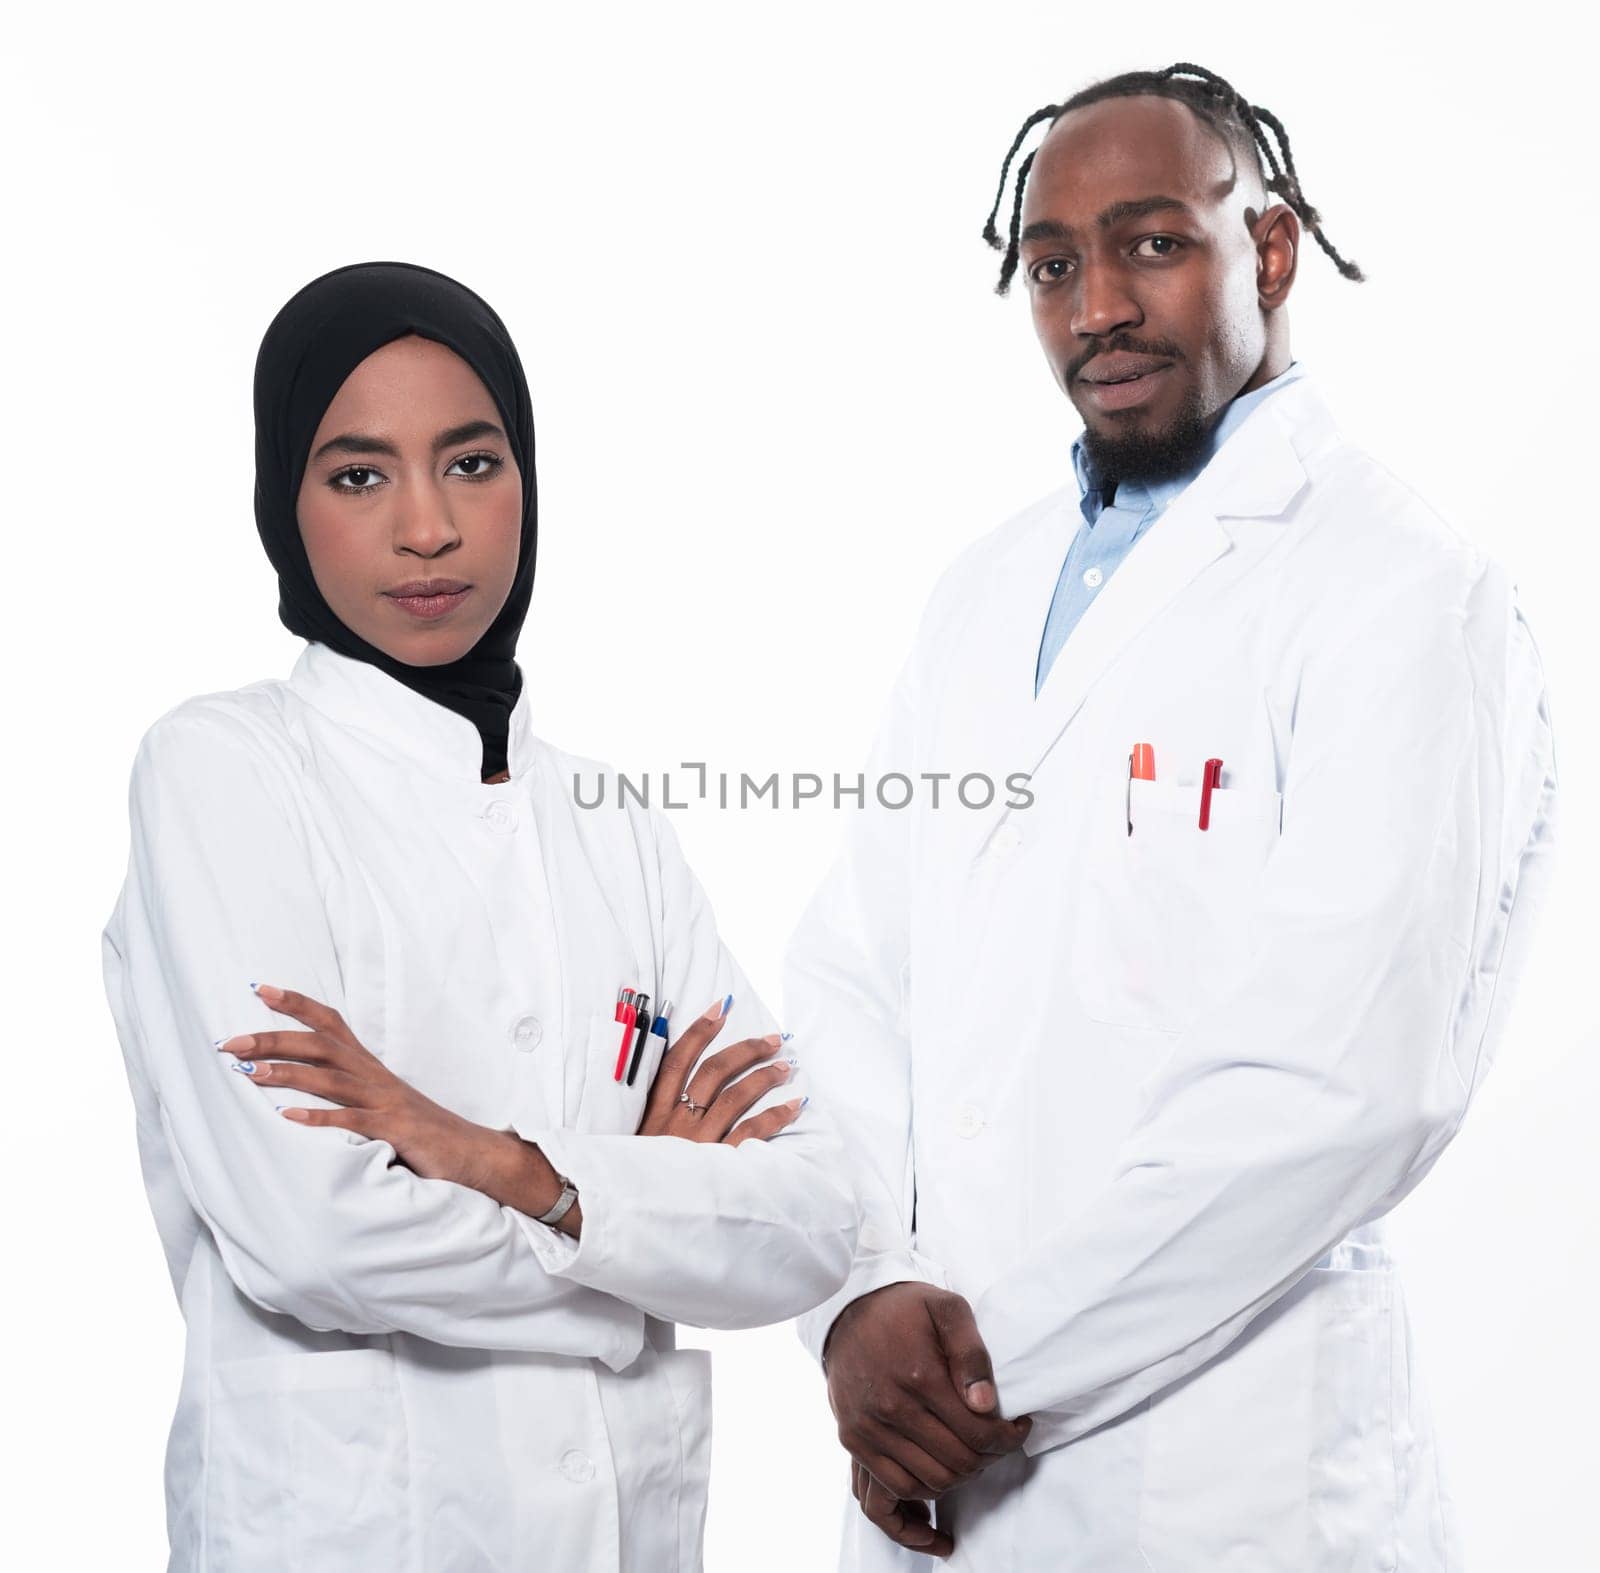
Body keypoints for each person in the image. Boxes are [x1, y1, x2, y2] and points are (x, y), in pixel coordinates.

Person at [787, 62, 1559, 1571]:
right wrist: (861, 1296)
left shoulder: (1402, 592)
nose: (1097, 308)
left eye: (1151, 242)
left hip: (1221, 1484)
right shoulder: (982, 595)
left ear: (1267, 248)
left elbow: (1350, 1082)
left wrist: (978, 1365)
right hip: (928, 1466)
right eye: (1055, 264)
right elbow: (851, 973)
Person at [100, 260, 858, 1573]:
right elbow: (312, 1233)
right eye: (356, 474)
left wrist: (511, 1165)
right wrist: (637, 1244)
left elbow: (809, 1217)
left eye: (470, 462)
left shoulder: (611, 824)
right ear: (283, 496)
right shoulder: (221, 772)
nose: (428, 529)